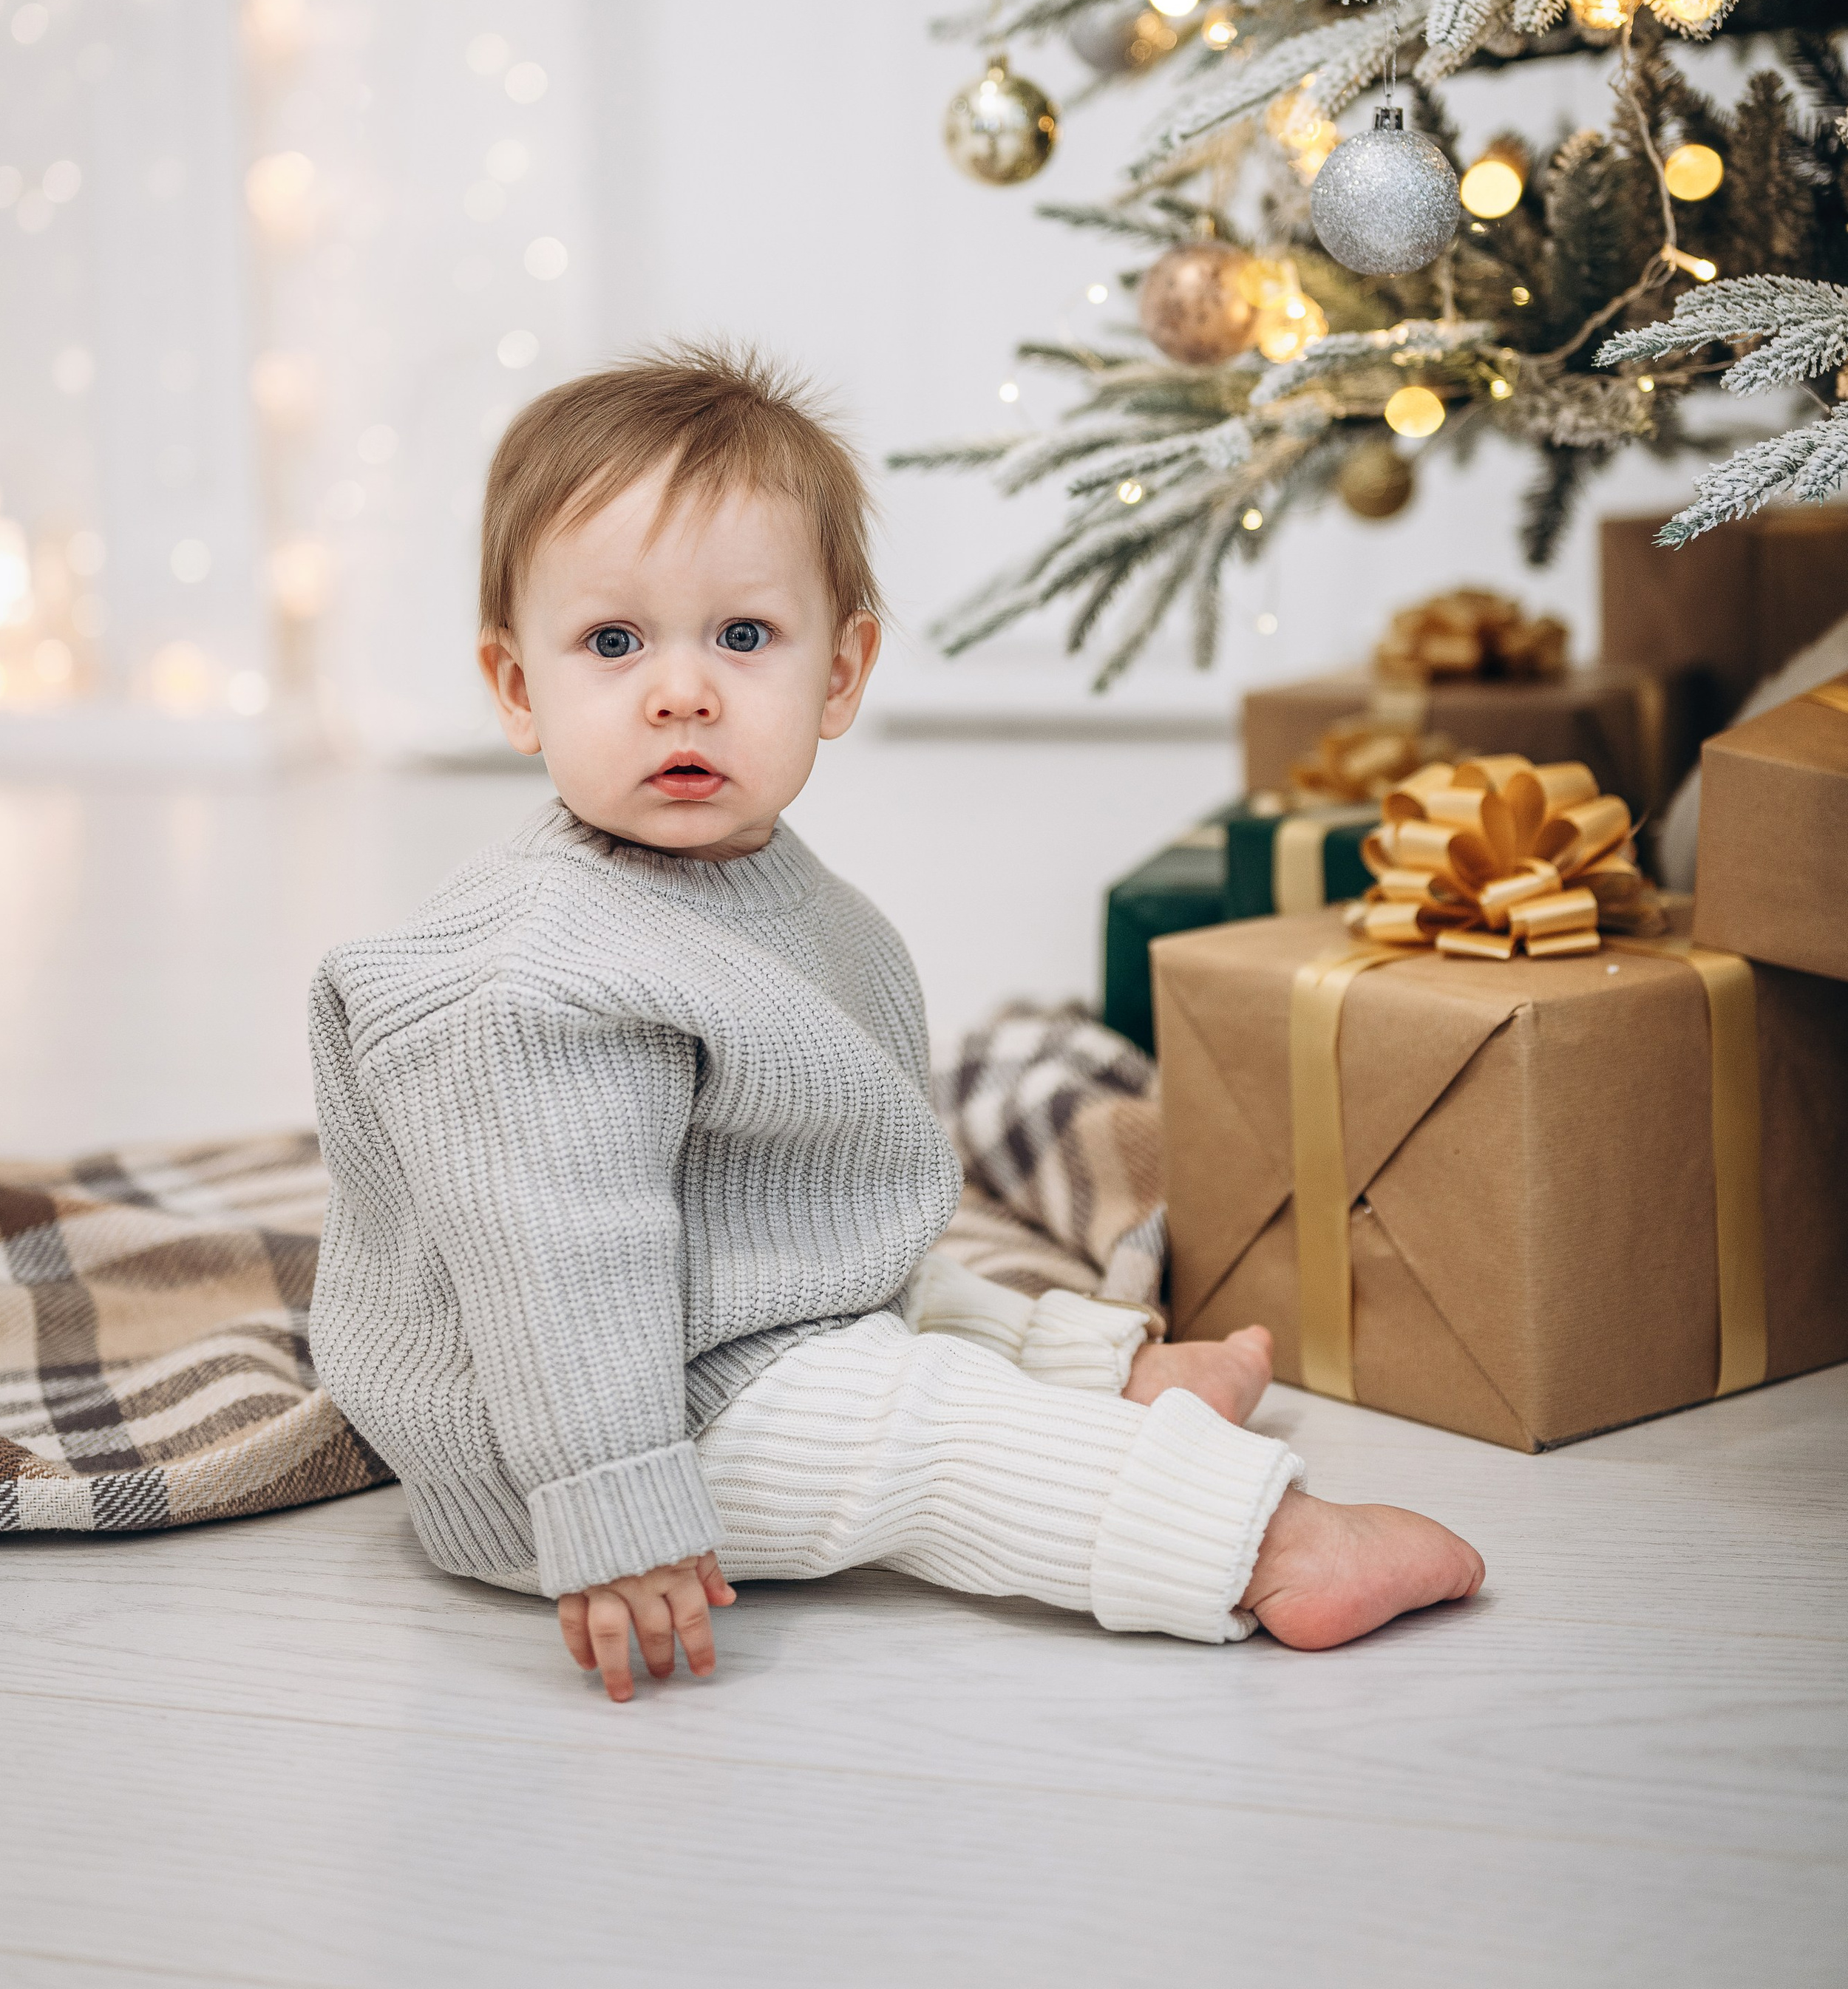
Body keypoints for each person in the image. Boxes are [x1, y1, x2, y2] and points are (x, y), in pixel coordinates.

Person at [308, 346, 1482, 1701]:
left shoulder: (768, 890)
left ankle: (1116, 1371)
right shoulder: (533, 990)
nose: (680, 690)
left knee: (926, 1290)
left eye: (742, 638)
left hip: (727, 1319)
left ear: (841, 672)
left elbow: (825, 1217)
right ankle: (1266, 1543)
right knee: (920, 1429)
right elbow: (554, 1275)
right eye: (613, 643)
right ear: (519, 690)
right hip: (581, 1432)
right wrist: (613, 1507)